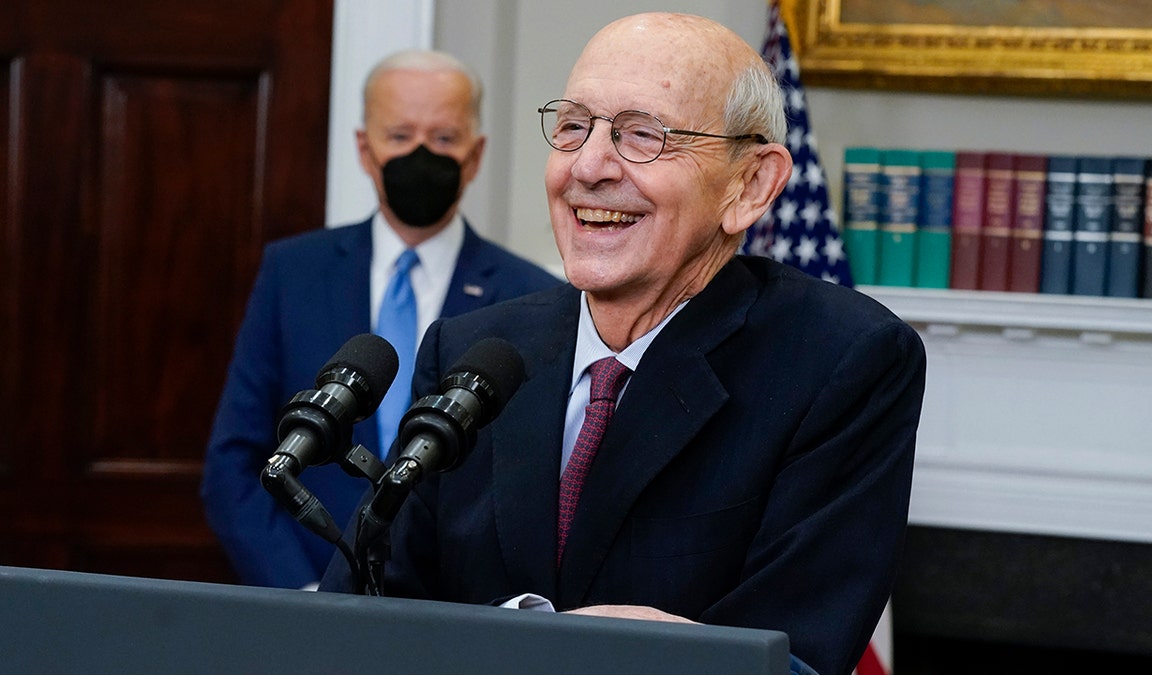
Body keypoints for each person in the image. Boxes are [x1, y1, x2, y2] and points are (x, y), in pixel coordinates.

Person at [320, 14, 925, 675]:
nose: (588, 166)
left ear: (749, 184)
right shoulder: (475, 349)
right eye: (574, 126)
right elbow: (366, 607)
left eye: (643, 134)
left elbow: (790, 655)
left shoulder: (845, 361)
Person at [202, 49, 562, 590]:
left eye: (443, 138)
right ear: (364, 149)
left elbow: (525, 492)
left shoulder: (533, 295)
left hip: (449, 619)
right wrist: (305, 596)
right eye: (400, 136)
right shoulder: (293, 272)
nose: (421, 155)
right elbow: (234, 464)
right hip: (300, 601)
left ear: (476, 153)